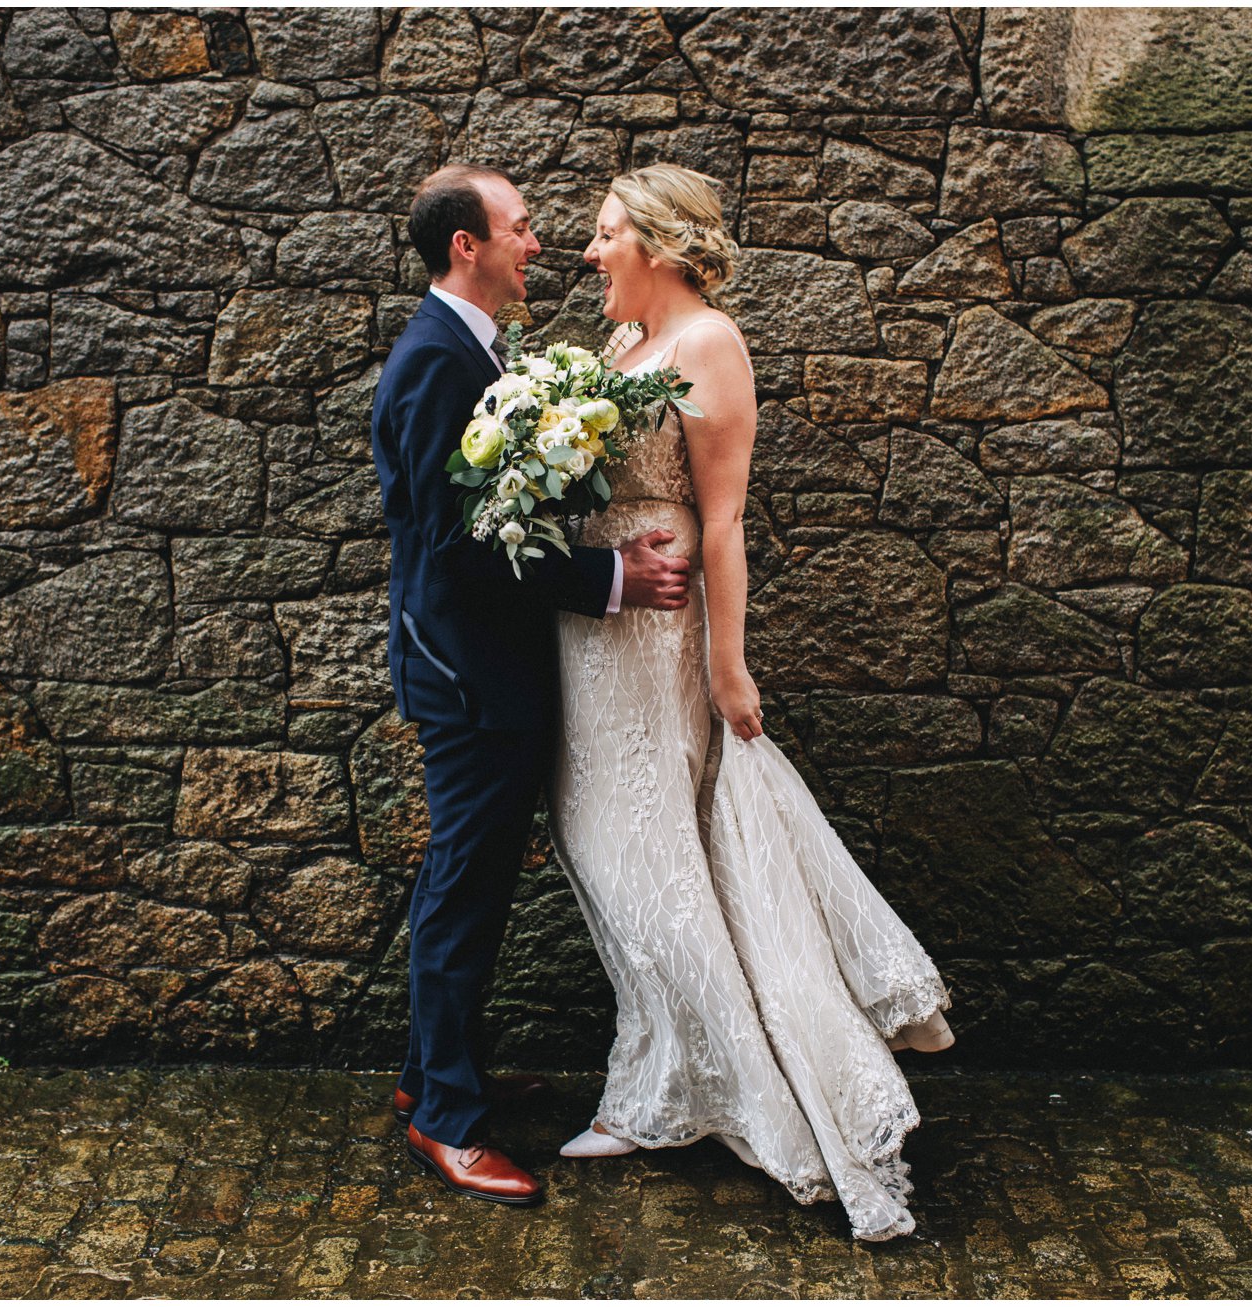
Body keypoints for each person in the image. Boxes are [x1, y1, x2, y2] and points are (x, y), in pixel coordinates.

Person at [548, 164, 958, 1242]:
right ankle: (662, 1081)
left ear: (658, 242)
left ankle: (727, 1093)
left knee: (648, 851)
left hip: (658, 635)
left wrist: (729, 664)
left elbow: (721, 520)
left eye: (602, 235)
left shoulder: (707, 343)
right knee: (609, 848)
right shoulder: (616, 352)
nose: (587, 254)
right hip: (592, 632)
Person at [369, 164, 694, 1206]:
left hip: (484, 667)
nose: (536, 243)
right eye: (518, 227)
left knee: (465, 885)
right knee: (465, 890)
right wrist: (610, 576)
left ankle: (435, 1076)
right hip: (466, 674)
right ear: (467, 246)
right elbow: (459, 548)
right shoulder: (433, 365)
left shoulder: (473, 353)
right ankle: (450, 1125)